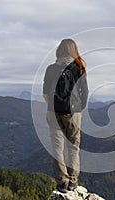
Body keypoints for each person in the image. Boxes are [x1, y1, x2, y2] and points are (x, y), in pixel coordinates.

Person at [43, 39, 88, 193]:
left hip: (53, 112)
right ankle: (73, 182)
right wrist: (78, 109)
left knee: (57, 148)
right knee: (73, 148)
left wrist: (53, 106)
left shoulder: (50, 69)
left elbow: (45, 93)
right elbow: (85, 93)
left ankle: (62, 182)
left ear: (59, 51)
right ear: (73, 50)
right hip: (74, 113)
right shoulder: (79, 68)